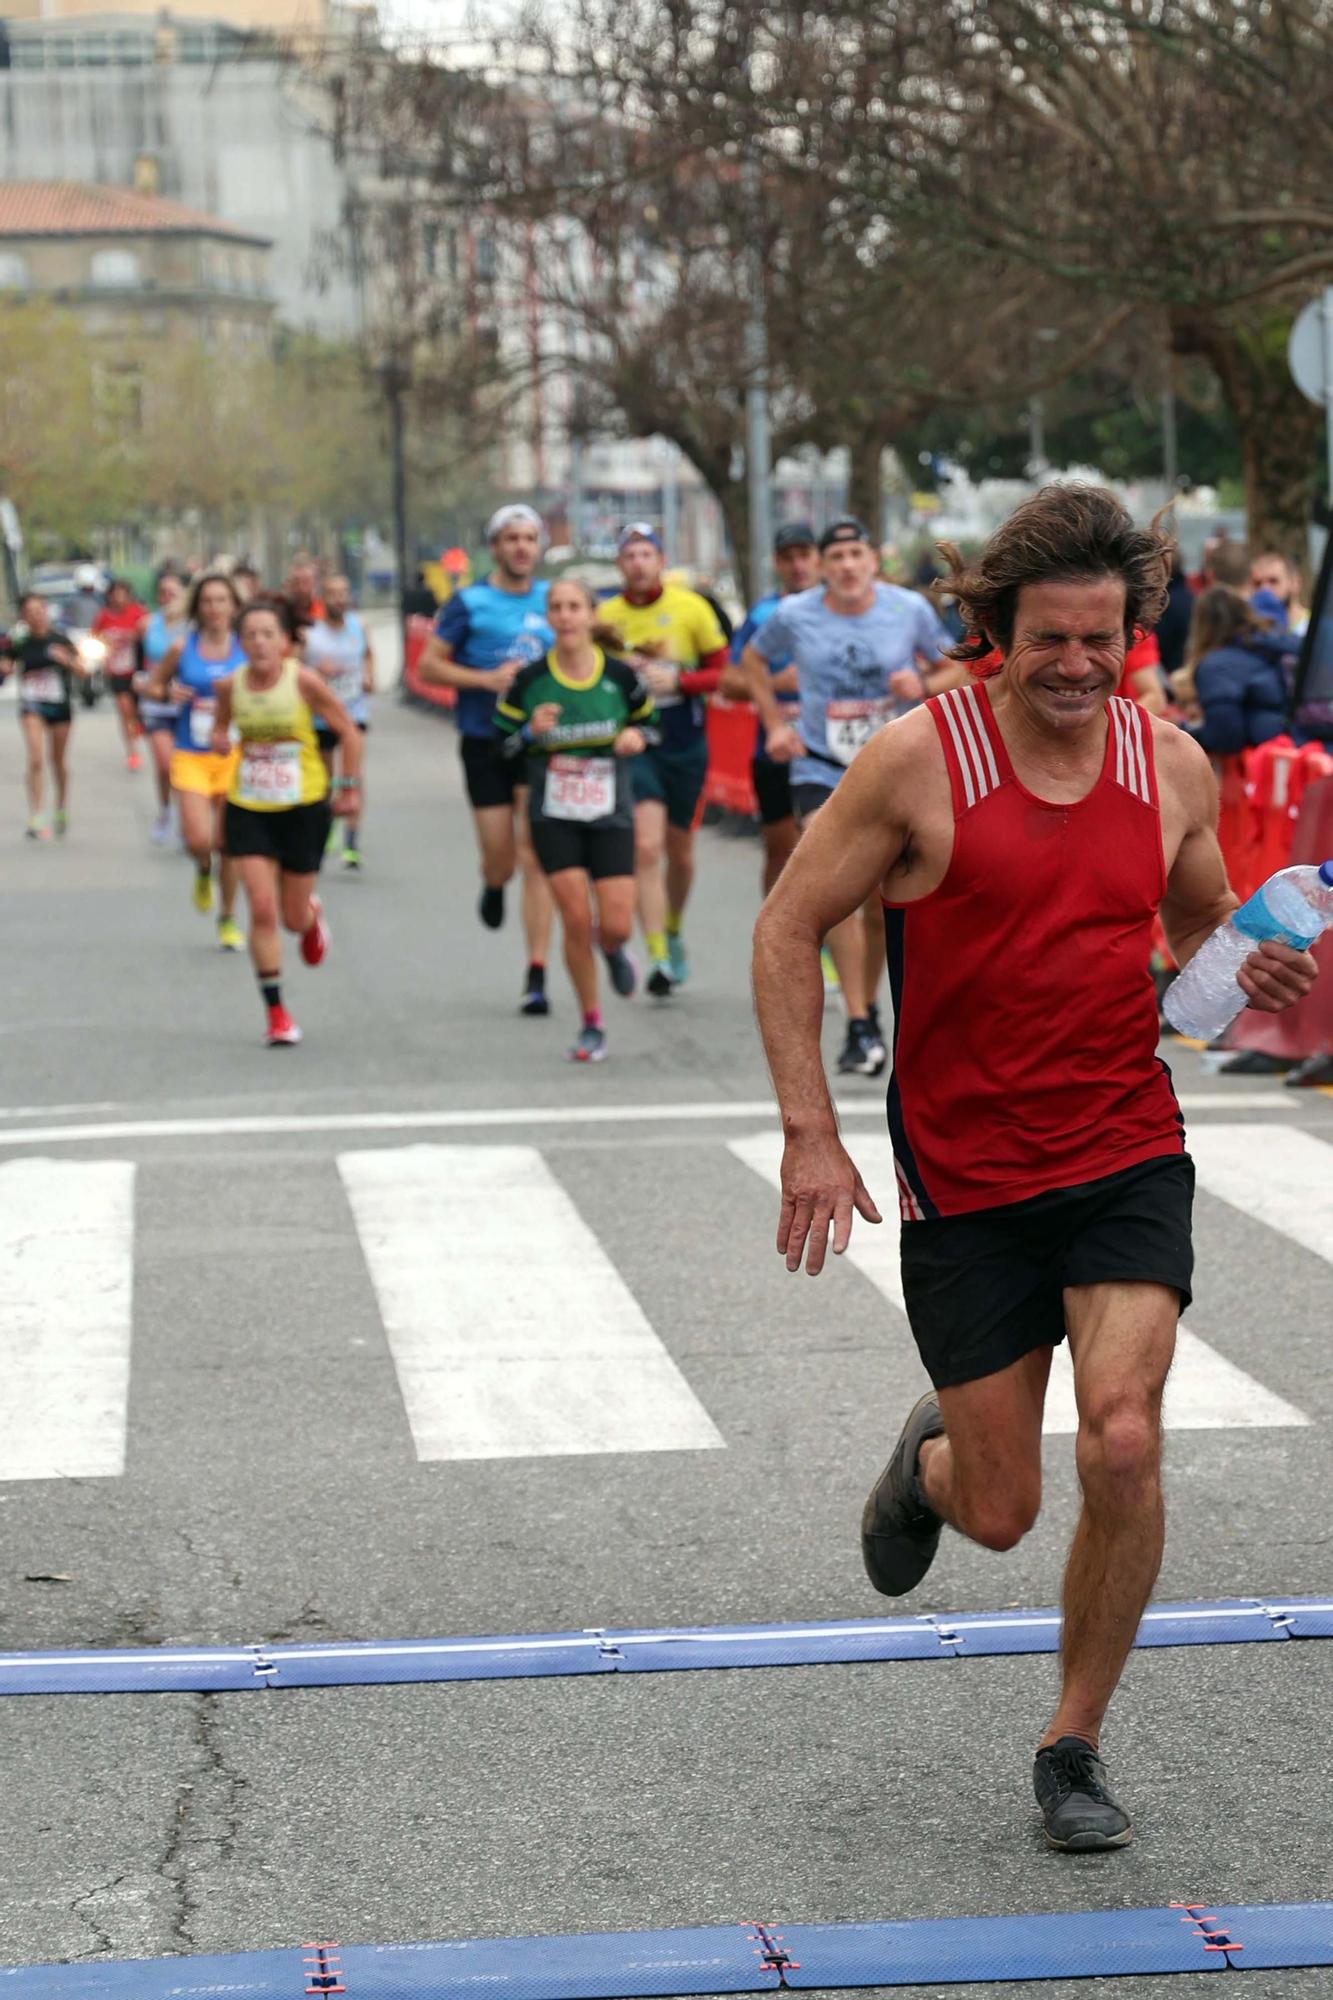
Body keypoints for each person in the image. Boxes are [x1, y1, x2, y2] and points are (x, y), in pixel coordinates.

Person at [752, 484, 1319, 1853]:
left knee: (1122, 1434)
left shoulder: (1170, 765)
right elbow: (786, 931)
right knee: (1000, 1511)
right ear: (992, 633)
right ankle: (927, 1464)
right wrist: (812, 1134)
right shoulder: (912, 761)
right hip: (967, 1170)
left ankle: (1073, 1743)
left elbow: (1197, 939)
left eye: (1102, 640)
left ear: (1136, 634)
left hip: (1122, 1142)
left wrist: (1256, 964)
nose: (1075, 664)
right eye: (1047, 639)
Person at [741, 515, 958, 1077]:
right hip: (821, 761)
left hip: (892, 765)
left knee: (883, 894)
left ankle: (868, 1014)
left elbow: (957, 670)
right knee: (831, 870)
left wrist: (925, 685)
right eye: (834, 559)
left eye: (855, 556)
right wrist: (774, 725)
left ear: (872, 560)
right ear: (821, 566)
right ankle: (859, 1018)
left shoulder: (907, 610)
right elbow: (752, 662)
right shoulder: (794, 615)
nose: (846, 568)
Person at [493, 579, 656, 1061]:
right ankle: (591, 1022)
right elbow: (498, 745)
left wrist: (636, 738)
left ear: (590, 615)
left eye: (574, 607)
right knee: (576, 918)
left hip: (611, 811)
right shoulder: (530, 680)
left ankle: (613, 950)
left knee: (617, 924)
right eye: (556, 608)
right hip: (554, 814)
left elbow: (651, 724)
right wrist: (528, 732)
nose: (565, 616)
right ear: (548, 617)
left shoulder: (621, 677)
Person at [417, 503, 555, 1015]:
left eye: (528, 538)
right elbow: (429, 666)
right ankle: (493, 883)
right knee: (503, 858)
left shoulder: (556, 601)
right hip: (485, 740)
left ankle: (536, 973)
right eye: (510, 539)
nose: (521, 547)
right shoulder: (469, 603)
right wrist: (486, 680)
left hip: (543, 744)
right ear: (494, 548)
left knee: (536, 855)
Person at [210, 597, 362, 1046]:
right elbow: (221, 728)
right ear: (241, 642)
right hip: (249, 806)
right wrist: (220, 740)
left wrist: (348, 786)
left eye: (268, 634)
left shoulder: (304, 681)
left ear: (284, 642)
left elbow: (347, 730)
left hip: (303, 807)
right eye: (251, 635)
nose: (259, 643)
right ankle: (276, 1013)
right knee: (261, 909)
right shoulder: (229, 686)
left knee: (292, 919)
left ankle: (310, 915)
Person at [596, 524, 731, 996]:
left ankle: (672, 928)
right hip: (636, 746)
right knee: (646, 847)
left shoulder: (690, 608)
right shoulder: (605, 618)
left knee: (680, 852)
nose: (638, 563)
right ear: (619, 563)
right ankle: (656, 955)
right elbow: (589, 677)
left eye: (646, 554)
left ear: (661, 560)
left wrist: (679, 683)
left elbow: (724, 672)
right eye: (629, 554)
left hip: (685, 745)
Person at [147, 569, 246, 950]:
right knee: (199, 839)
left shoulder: (247, 646)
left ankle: (227, 917)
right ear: (197, 607)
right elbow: (154, 685)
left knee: (230, 844)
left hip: (235, 755)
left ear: (234, 605)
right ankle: (203, 870)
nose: (215, 608)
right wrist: (168, 692)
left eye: (222, 600)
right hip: (191, 752)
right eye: (207, 601)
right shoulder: (181, 647)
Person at [721, 522, 821, 896]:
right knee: (781, 849)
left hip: (830, 750)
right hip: (774, 748)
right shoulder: (763, 614)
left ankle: (827, 939)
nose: (798, 565)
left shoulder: (838, 609)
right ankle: (775, 936)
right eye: (788, 558)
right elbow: (728, 683)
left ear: (818, 559)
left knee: (830, 852)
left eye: (804, 555)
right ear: (777, 563)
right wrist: (775, 684)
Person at [0, 591, 88, 837]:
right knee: (36, 758)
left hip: (59, 706)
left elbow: (83, 671)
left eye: (40, 610)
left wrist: (67, 660)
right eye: (30, 613)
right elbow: (5, 664)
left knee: (57, 761)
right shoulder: (19, 642)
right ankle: (36, 814)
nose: (37, 616)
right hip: (32, 706)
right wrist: (5, 667)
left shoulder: (60, 638)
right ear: (23, 617)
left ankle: (60, 805)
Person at [304, 575, 374, 870]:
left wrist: (370, 675)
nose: (340, 599)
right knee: (324, 779)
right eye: (333, 593)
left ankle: (352, 840)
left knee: (353, 775)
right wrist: (316, 670)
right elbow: (296, 667)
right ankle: (325, 829)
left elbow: (368, 655)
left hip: (353, 712)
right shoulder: (311, 633)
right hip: (320, 716)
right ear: (323, 598)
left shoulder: (359, 627)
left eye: (344, 593)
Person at [1173, 586, 1292, 753]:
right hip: (1303, 746)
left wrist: (1186, 733)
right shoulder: (1274, 643)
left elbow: (1225, 736)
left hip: (1267, 756)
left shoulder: (1215, 666)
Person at [135, 569, 188, 844]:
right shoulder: (146, 624)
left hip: (184, 704)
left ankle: (185, 815)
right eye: (163, 592)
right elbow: (137, 665)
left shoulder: (192, 626)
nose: (168, 597)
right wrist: (140, 681)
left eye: (173, 592)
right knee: (165, 765)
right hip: (155, 702)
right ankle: (167, 811)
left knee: (184, 765)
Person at [93, 578, 148, 771]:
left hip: (138, 671)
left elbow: (148, 636)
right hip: (116, 671)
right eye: (115, 593)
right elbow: (94, 638)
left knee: (137, 710)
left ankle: (138, 724)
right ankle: (132, 751)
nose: (118, 597)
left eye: (122, 593)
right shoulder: (103, 617)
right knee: (124, 710)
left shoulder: (138, 613)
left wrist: (134, 637)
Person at [1250, 551, 1310, 637]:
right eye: (1257, 583)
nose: (1264, 589)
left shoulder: (1316, 628)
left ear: (1295, 583)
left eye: (1273, 581)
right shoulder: (1250, 634)